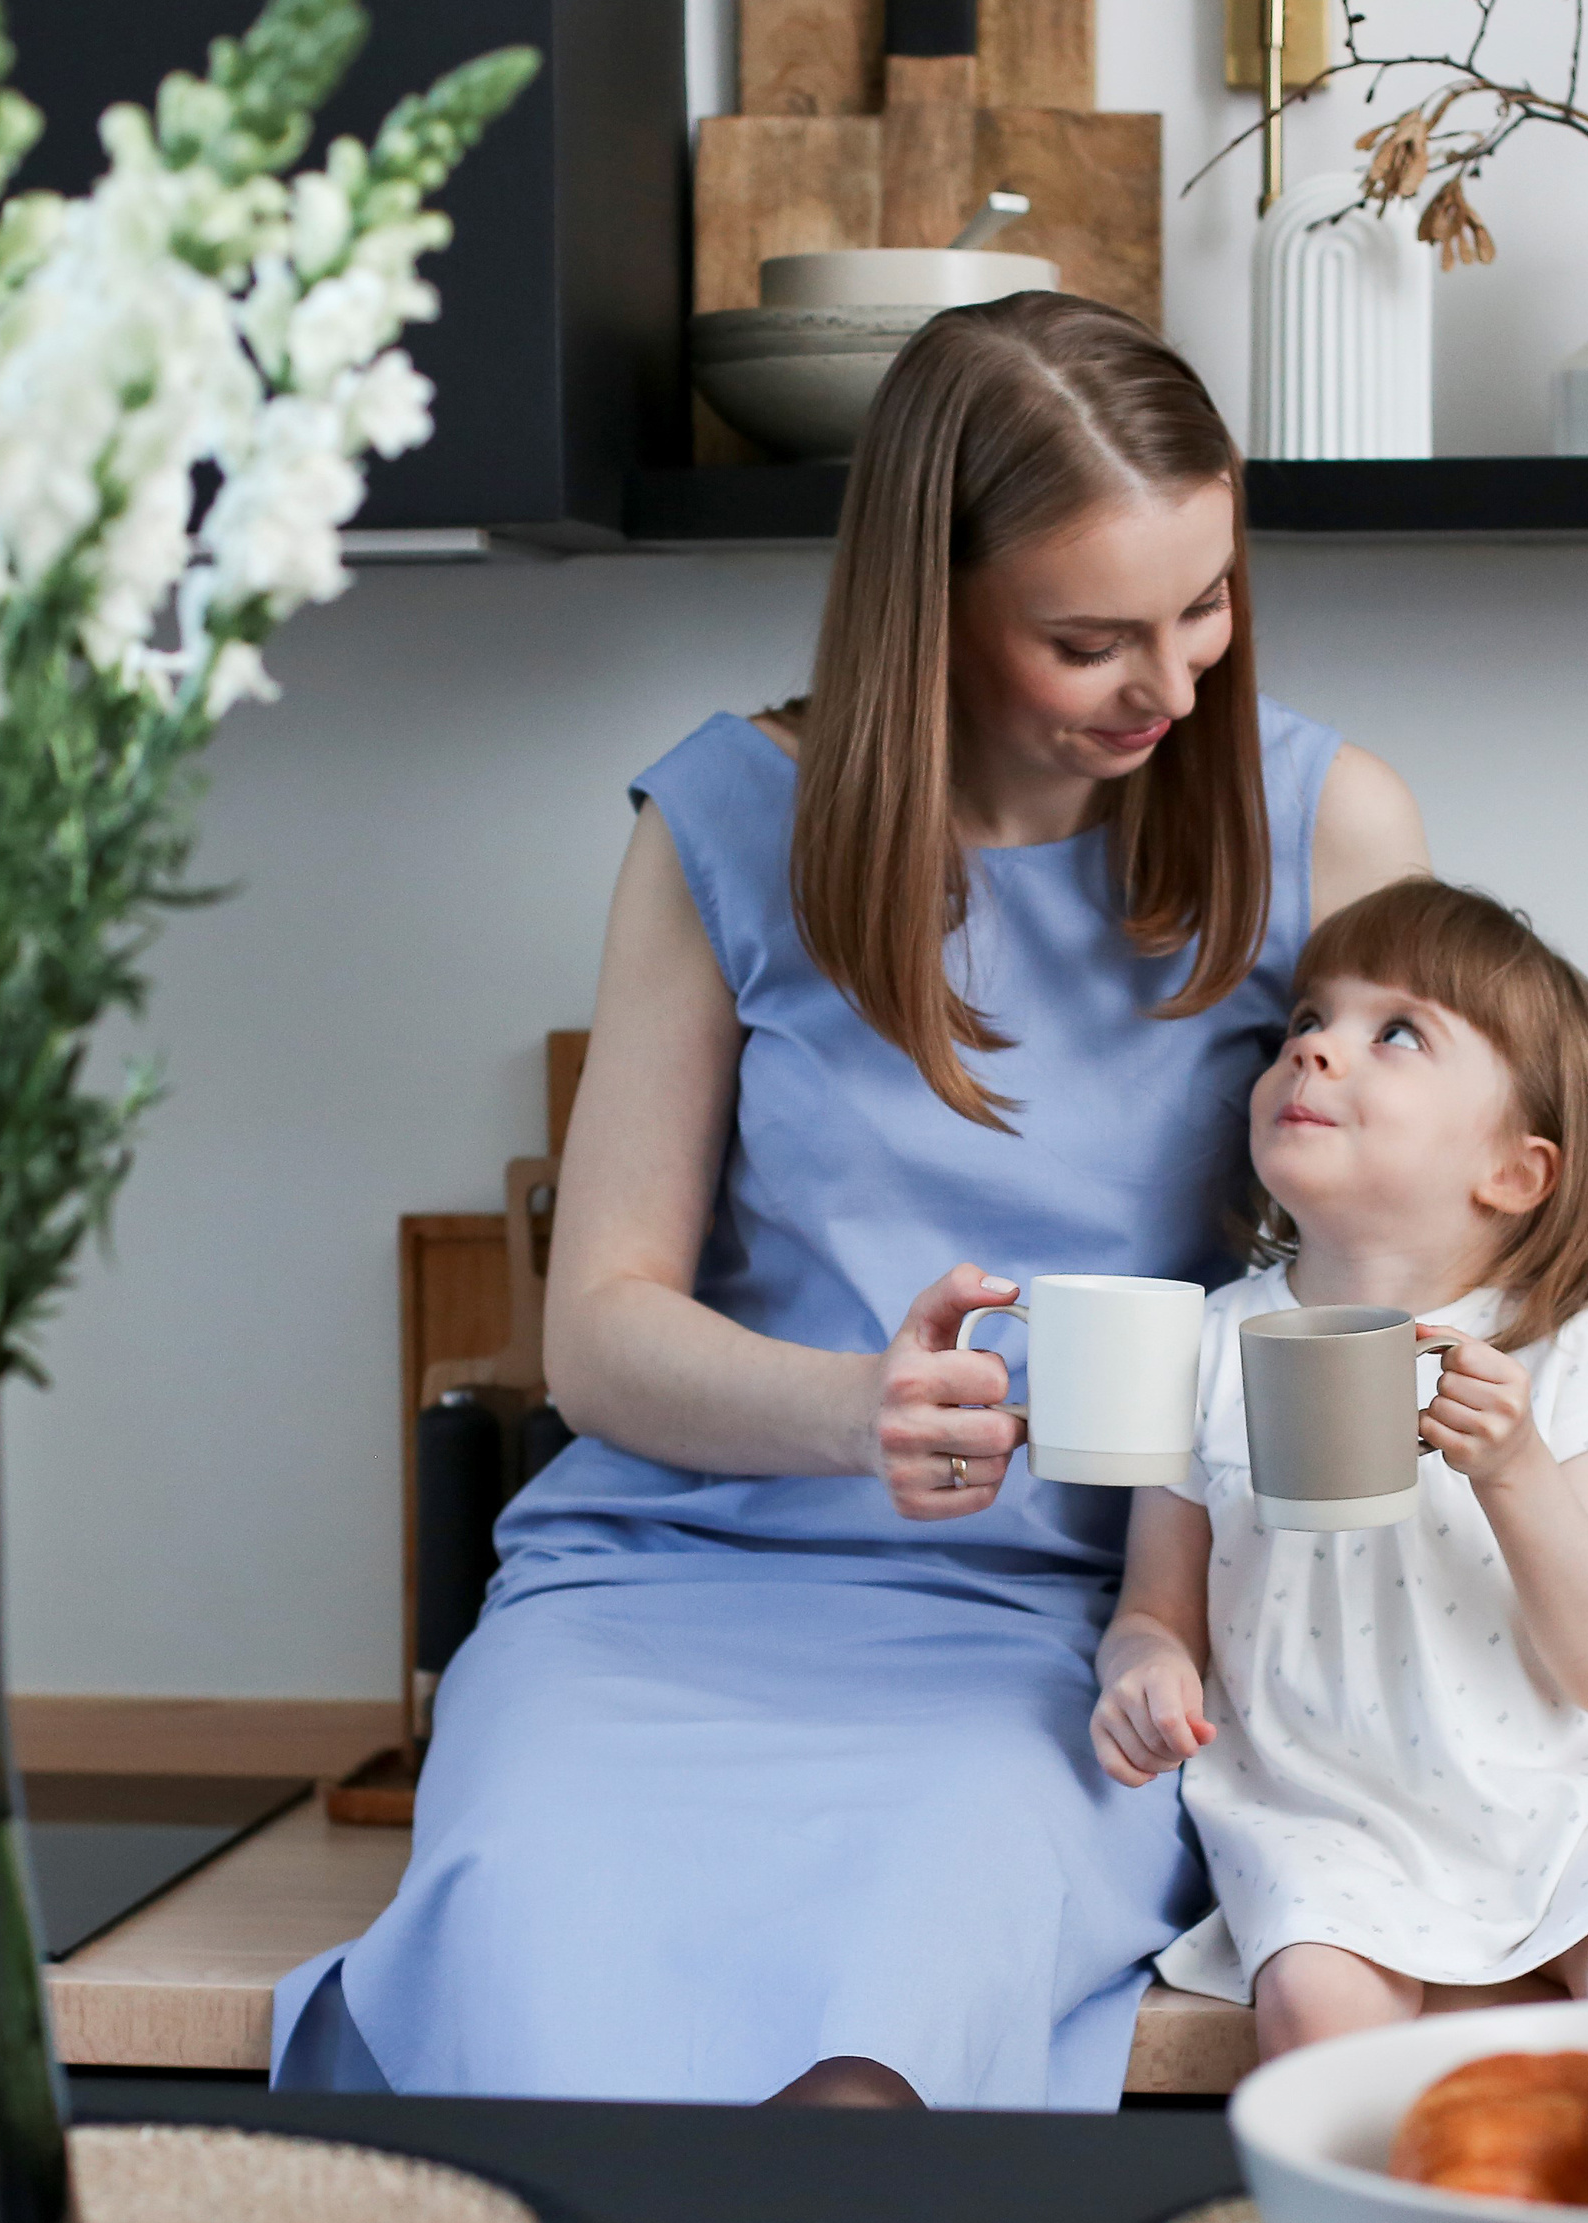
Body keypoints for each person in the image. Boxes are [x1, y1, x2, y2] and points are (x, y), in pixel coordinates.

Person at [268, 292, 1431, 2106]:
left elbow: (1427, 1294)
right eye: (1090, 637)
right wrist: (851, 1407)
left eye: (1206, 605)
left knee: (870, 2034)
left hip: (1082, 1632)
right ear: (933, 604)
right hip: (658, 1588)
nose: (1177, 684)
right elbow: (598, 1336)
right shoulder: (724, 819)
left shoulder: (1327, 820)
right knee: (526, 1976)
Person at [1090, 879, 1588, 2054]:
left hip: (1575, 1798)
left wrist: (1514, 1466)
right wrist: (1142, 1671)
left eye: (1397, 1033)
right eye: (1306, 1022)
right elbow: (1153, 1613)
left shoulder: (1554, 1353)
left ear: (1515, 1173)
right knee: (1316, 2013)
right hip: (1328, 1811)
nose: (1316, 1047)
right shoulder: (1206, 1347)